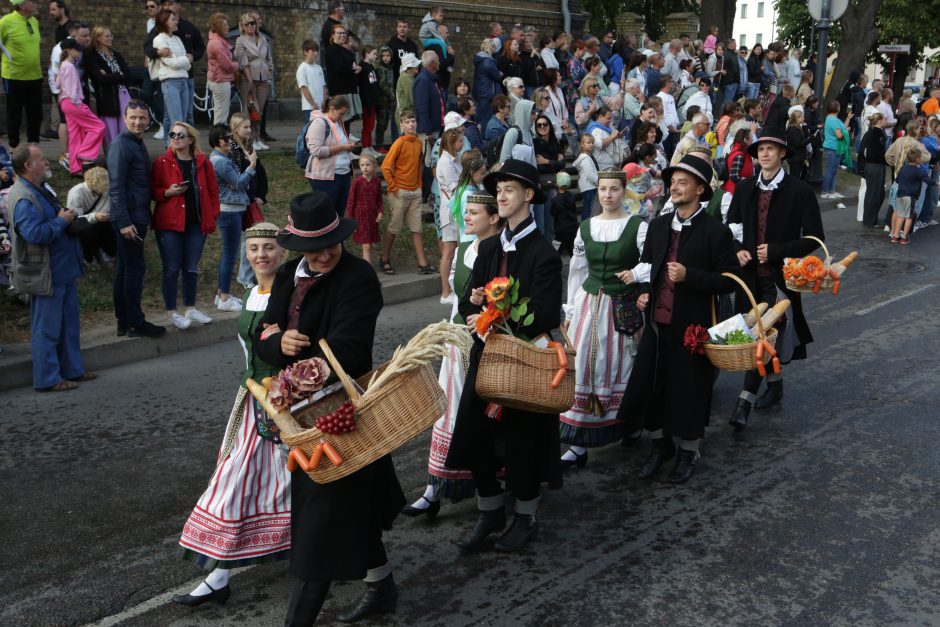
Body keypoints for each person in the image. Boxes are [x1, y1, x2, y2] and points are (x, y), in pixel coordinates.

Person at [255, 192, 405, 626]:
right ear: (297, 247)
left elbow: (349, 349)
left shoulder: (358, 278)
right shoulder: (286, 276)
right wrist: (277, 342)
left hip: (342, 416)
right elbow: (262, 334)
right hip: (300, 418)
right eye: (314, 247)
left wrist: (290, 363)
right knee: (349, 507)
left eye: (332, 243)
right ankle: (381, 587)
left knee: (320, 520)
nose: (324, 254)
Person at [445, 159, 563, 552]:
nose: (502, 196)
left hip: (526, 361)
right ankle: (490, 509)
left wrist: (501, 311)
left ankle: (526, 516)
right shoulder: (491, 246)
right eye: (498, 191)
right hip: (489, 357)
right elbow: (468, 300)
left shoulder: (543, 253)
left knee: (523, 441)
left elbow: (546, 313)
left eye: (509, 190)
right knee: (474, 435)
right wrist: (476, 304)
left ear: (529, 196)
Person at [173, 222, 290, 609]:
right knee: (249, 479)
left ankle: (222, 575)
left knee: (252, 481)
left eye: (269, 247)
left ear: (283, 252)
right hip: (252, 398)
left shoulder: (291, 295)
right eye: (254, 248)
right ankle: (220, 575)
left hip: (286, 400)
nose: (261, 255)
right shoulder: (251, 293)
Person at [617, 154, 739, 483]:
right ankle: (660, 447)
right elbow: (646, 267)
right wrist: (644, 289)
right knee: (649, 388)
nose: (675, 186)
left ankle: (688, 450)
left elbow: (729, 279)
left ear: (701, 189)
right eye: (673, 181)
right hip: (656, 325)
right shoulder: (658, 226)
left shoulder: (715, 232)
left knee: (689, 392)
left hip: (693, 327)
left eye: (683, 182)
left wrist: (691, 276)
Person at [402, 192, 504, 519]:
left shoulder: (503, 252)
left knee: (479, 414)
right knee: (447, 411)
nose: (467, 217)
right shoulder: (463, 250)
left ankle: (492, 482)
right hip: (457, 339)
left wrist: (489, 316)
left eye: (474, 212)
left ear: (494, 218)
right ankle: (435, 488)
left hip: (487, 342)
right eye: (466, 212)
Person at [726, 127, 824, 430]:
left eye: (771, 149)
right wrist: (738, 250)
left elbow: (814, 239)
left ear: (782, 153)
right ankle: (776, 383)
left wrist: (779, 250)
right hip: (748, 279)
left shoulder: (800, 191)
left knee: (762, 335)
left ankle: (744, 402)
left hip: (779, 281)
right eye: (760, 150)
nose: (765, 154)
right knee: (758, 336)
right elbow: (730, 228)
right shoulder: (744, 189)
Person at [559, 169, 647, 467]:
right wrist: (570, 311)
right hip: (589, 303)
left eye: (614, 189)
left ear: (624, 191)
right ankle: (579, 441)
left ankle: (628, 423)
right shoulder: (586, 227)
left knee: (624, 364)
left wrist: (636, 274)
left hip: (623, 306)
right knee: (583, 363)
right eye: (603, 189)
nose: (608, 195)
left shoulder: (638, 226)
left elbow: (652, 263)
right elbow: (577, 270)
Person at [9, 143, 95, 391]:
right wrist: (61, 221)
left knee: (68, 323)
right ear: (28, 166)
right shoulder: (24, 197)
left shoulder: (38, 189)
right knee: (46, 329)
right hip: (45, 274)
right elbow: (34, 234)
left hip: (62, 270)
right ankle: (47, 378)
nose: (47, 162)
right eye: (42, 159)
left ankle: (72, 370)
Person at [152, 122, 219, 329]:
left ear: (190, 139)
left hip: (196, 224)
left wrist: (213, 214)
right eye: (173, 134)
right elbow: (152, 190)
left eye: (181, 135)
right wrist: (167, 192)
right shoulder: (161, 162)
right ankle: (172, 312)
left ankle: (190, 307)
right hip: (169, 224)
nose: (176, 138)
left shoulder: (201, 162)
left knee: (191, 267)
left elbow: (213, 191)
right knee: (172, 268)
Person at [108, 101, 164, 338]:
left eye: (142, 118)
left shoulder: (136, 143)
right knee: (133, 270)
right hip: (129, 220)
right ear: (124, 117)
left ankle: (124, 321)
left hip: (137, 216)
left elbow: (140, 184)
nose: (138, 122)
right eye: (133, 117)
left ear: (148, 120)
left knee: (125, 269)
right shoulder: (121, 145)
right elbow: (116, 187)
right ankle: (135, 322)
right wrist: (123, 222)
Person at [380, 109, 434, 276]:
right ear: (402, 125)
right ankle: (385, 258)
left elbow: (418, 166)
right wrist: (394, 188)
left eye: (413, 121)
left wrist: (418, 185)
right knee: (394, 227)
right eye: (408, 122)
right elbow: (385, 166)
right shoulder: (399, 143)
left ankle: (422, 264)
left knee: (416, 228)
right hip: (400, 192)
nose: (412, 124)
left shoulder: (418, 143)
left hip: (415, 192)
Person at [145, 0, 204, 132]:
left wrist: (192, 57)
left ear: (178, 5)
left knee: (186, 116)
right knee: (174, 119)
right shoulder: (158, 32)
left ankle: (187, 145)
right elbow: (148, 48)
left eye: (170, 4)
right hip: (170, 78)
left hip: (187, 77)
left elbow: (200, 48)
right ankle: (171, 146)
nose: (166, 7)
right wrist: (158, 52)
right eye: (164, 5)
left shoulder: (189, 28)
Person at [56, 39, 105, 177]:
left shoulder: (64, 65)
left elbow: (57, 84)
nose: (79, 51)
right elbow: (71, 90)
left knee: (75, 135)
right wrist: (78, 103)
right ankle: (85, 155)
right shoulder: (70, 67)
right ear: (69, 50)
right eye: (76, 49)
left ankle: (75, 168)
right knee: (98, 126)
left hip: (66, 103)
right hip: (73, 103)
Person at [304, 95, 355, 220]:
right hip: (325, 177)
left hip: (343, 174)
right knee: (327, 214)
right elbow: (316, 150)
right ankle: (327, 238)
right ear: (332, 109)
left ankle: (338, 239)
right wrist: (342, 148)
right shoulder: (319, 123)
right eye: (341, 113)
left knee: (339, 212)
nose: (342, 117)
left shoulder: (338, 123)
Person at [0, 0, 43, 148]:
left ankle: (33, 148)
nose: (36, 4)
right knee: (14, 115)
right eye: (33, 2)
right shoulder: (6, 22)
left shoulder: (34, 21)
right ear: (22, 5)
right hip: (14, 77)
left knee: (36, 115)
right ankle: (14, 149)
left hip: (35, 76)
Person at [84, 26, 132, 145]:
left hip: (123, 94)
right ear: (98, 38)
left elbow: (128, 76)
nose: (111, 38)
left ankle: (125, 159)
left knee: (127, 129)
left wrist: (110, 75)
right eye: (107, 36)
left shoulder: (116, 54)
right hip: (107, 98)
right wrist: (118, 74)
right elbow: (100, 79)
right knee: (111, 133)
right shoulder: (92, 56)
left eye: (111, 35)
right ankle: (112, 160)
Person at [151, 9, 192, 143]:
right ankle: (178, 149)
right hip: (170, 82)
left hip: (183, 80)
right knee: (178, 121)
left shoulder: (177, 39)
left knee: (177, 118)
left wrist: (185, 60)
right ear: (165, 22)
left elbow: (186, 65)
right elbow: (174, 63)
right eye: (173, 19)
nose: (176, 21)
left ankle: (169, 147)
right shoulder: (159, 39)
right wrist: (186, 59)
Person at [233, 12, 273, 149]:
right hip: (248, 79)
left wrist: (270, 73)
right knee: (249, 110)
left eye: (252, 23)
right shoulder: (240, 40)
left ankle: (257, 138)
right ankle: (248, 140)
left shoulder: (262, 38)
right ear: (242, 26)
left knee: (259, 111)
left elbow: (268, 58)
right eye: (247, 23)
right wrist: (249, 79)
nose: (250, 25)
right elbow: (242, 61)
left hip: (264, 79)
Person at [435, 123, 464, 302]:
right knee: (449, 250)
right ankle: (445, 292)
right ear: (451, 143)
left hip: (455, 209)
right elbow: (454, 187)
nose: (462, 143)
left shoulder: (455, 158)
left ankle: (451, 289)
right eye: (460, 141)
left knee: (453, 249)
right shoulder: (445, 162)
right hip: (450, 211)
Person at [66, 166, 115, 265]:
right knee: (86, 233)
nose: (102, 192)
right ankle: (89, 257)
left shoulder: (107, 186)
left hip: (102, 221)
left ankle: (106, 251)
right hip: (84, 223)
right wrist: (94, 217)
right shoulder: (76, 193)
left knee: (112, 227)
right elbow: (76, 221)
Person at [324, 23, 361, 133]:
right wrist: (354, 69)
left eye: (344, 33)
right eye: (339, 33)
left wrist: (357, 68)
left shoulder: (344, 50)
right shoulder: (332, 50)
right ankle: (340, 147)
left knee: (347, 122)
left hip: (349, 90)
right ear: (333, 35)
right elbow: (338, 68)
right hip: (340, 91)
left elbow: (351, 64)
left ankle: (345, 145)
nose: (342, 35)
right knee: (341, 122)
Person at [892, 150, 935, 244]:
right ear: (918, 159)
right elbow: (927, 180)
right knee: (909, 217)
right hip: (910, 196)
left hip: (900, 195)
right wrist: (937, 183)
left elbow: (897, 180)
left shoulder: (903, 168)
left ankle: (895, 236)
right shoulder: (918, 171)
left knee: (900, 216)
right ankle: (904, 237)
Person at [347, 152, 383, 264]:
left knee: (369, 244)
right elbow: (351, 202)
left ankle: (365, 266)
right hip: (360, 217)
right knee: (366, 245)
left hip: (372, 217)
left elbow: (379, 199)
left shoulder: (377, 182)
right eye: (362, 165)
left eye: (368, 165)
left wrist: (380, 212)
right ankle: (369, 269)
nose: (365, 167)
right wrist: (351, 219)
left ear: (374, 166)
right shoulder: (357, 182)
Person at [206, 12, 239, 126]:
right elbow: (228, 66)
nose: (228, 27)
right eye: (225, 25)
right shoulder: (217, 44)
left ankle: (220, 138)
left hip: (218, 79)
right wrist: (237, 64)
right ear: (218, 28)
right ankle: (218, 140)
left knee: (220, 112)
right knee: (221, 114)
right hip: (220, 81)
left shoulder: (218, 41)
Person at [859, 112, 888, 227]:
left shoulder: (869, 133)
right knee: (875, 194)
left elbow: (862, 150)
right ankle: (870, 220)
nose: (886, 121)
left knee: (873, 193)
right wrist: (887, 160)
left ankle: (869, 218)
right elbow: (877, 153)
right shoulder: (878, 134)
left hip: (869, 166)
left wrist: (861, 167)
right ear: (880, 121)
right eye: (884, 119)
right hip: (876, 166)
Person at [414, 50, 445, 149]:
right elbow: (422, 107)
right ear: (432, 63)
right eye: (438, 60)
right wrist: (428, 131)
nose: (439, 63)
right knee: (428, 162)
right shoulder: (423, 80)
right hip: (428, 132)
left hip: (433, 128)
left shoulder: (430, 79)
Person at [822, 100, 851, 199]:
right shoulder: (833, 120)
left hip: (835, 148)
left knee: (833, 170)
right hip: (832, 148)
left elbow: (842, 127)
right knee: (831, 170)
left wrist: (848, 118)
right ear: (837, 108)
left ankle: (832, 191)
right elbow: (839, 135)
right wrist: (846, 131)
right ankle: (825, 191)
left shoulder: (831, 118)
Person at [473, 39, 502, 132]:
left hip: (481, 92)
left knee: (480, 117)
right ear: (490, 47)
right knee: (486, 118)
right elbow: (497, 76)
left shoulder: (481, 59)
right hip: (488, 93)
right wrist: (500, 73)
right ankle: (485, 138)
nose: (495, 48)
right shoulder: (488, 62)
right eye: (494, 46)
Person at [358, 45, 381, 158]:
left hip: (372, 102)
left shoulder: (370, 67)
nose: (376, 56)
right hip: (367, 103)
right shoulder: (363, 67)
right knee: (367, 125)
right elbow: (364, 88)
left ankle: (369, 146)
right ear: (366, 54)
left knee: (371, 125)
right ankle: (365, 148)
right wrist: (367, 102)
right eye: (374, 54)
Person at [296, 40, 325, 123]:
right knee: (309, 132)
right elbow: (304, 89)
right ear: (305, 52)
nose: (316, 53)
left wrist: (324, 102)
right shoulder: (302, 68)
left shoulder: (319, 68)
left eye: (317, 51)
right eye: (313, 51)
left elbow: (323, 86)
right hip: (309, 108)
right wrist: (313, 104)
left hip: (321, 107)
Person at [551, 172, 578, 256]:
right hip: (572, 228)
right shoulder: (572, 196)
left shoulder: (555, 199)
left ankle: (553, 266)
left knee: (556, 250)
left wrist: (554, 198)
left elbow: (552, 212)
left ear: (557, 184)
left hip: (560, 230)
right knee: (572, 251)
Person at [574, 133, 599, 220]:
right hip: (589, 187)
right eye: (588, 142)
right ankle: (585, 228)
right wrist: (599, 182)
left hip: (590, 186)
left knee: (589, 208)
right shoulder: (585, 158)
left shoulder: (589, 156)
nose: (591, 144)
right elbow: (590, 174)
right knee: (589, 209)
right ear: (582, 144)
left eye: (592, 142)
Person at [374, 46, 395, 149]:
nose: (385, 58)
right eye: (383, 56)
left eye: (388, 56)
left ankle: (380, 144)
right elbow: (383, 85)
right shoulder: (380, 69)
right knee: (381, 124)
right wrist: (392, 96)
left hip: (388, 101)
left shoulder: (390, 68)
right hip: (382, 101)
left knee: (385, 122)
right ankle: (379, 145)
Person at [786, 108, 812, 180]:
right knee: (794, 177)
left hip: (799, 157)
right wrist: (811, 138)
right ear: (797, 118)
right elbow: (798, 144)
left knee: (798, 176)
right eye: (802, 117)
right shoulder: (793, 129)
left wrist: (806, 128)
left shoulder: (799, 127)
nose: (804, 118)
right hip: (795, 158)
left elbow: (805, 137)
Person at [395, 52, 421, 122]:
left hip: (407, 114)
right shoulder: (405, 78)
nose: (418, 65)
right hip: (405, 116)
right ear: (409, 67)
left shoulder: (409, 77)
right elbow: (413, 99)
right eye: (415, 64)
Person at [318, 0, 344, 69]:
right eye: (342, 9)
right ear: (336, 10)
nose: (344, 11)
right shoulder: (329, 26)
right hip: (336, 68)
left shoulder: (338, 24)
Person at [719, 39, 740, 107]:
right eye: (735, 44)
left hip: (731, 81)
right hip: (730, 82)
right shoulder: (729, 55)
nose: (736, 45)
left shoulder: (731, 54)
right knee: (727, 102)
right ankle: (724, 116)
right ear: (731, 44)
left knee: (728, 102)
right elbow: (735, 69)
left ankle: (726, 116)